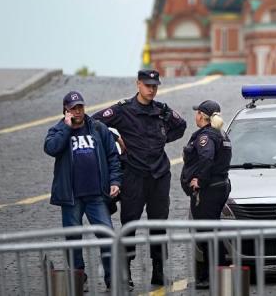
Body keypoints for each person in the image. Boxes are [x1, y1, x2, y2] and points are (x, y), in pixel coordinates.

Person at [92, 69, 186, 286]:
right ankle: (126, 274)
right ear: (138, 85)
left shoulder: (162, 110)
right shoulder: (123, 110)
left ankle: (158, 271)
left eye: (154, 86)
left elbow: (180, 126)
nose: (151, 89)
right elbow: (95, 122)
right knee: (129, 224)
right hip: (133, 174)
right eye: (147, 85)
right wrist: (116, 138)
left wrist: (162, 138)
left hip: (159, 175)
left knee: (159, 223)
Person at [44, 91, 122, 290]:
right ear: (66, 111)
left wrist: (115, 181)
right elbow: (51, 148)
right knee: (73, 240)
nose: (78, 111)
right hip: (71, 197)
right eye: (73, 108)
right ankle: (79, 277)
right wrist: (66, 128)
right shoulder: (57, 130)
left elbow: (113, 156)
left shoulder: (98, 128)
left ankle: (112, 278)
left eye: (80, 107)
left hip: (96, 195)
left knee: (107, 236)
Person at [180, 100, 232, 289]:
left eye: (197, 113)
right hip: (220, 186)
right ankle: (217, 273)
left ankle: (212, 276)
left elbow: (206, 158)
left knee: (206, 233)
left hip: (208, 191)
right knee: (213, 231)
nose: (196, 116)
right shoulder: (221, 133)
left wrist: (198, 180)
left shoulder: (207, 136)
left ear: (202, 115)